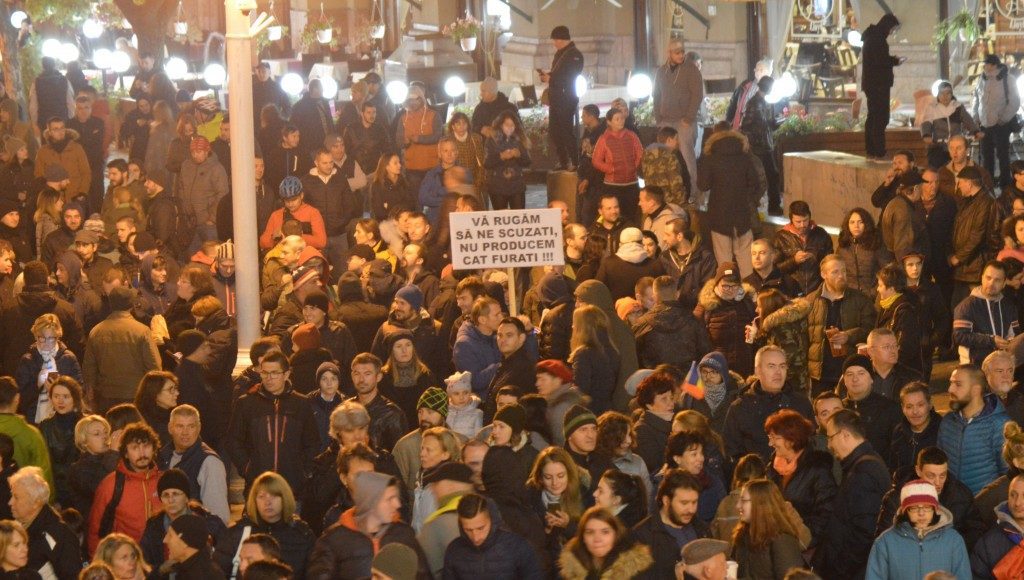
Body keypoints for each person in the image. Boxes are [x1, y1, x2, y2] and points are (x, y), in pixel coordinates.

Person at [225, 350, 321, 496]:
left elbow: (312, 443)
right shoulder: (246, 403)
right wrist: (247, 469)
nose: (269, 378)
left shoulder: (301, 404)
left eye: (275, 373)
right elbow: (233, 441)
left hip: (292, 487)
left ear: (286, 374)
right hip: (257, 486)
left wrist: (303, 472)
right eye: (264, 373)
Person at [812, 409, 890, 578]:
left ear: (845, 434)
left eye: (830, 438)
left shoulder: (863, 472)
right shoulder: (865, 463)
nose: (828, 445)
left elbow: (864, 533)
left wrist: (839, 570)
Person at [305, 471, 427, 579]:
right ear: (370, 501)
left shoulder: (404, 534)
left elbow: (422, 575)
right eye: (390, 499)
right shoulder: (334, 540)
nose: (397, 504)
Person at [876, 446, 986, 551]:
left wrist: (951, 551)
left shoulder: (962, 495)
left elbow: (975, 532)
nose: (938, 483)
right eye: (931, 476)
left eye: (942, 475)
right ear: (918, 471)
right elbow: (884, 542)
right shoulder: (895, 499)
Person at [212, 471, 315, 578]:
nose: (267, 502)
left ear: (285, 498)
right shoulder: (237, 533)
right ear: (254, 500)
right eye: (261, 496)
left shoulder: (303, 535)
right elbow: (218, 572)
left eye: (274, 496)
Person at [723, 345, 813, 463]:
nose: (778, 372)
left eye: (782, 366)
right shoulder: (740, 407)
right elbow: (731, 453)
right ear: (757, 371)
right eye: (771, 366)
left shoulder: (801, 403)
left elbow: (811, 445)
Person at [868, 479, 971, 579]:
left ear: (935, 509)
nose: (921, 513)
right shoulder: (885, 542)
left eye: (927, 507)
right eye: (914, 508)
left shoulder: (954, 541)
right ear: (905, 511)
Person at [87, 421, 163, 554]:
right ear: (126, 453)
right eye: (135, 447)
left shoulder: (164, 480)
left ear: (154, 448)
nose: (142, 452)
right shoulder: (111, 485)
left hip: (160, 560)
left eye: (146, 446)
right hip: (126, 560)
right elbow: (96, 530)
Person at [764, 409, 836, 547]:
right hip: (777, 544)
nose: (770, 444)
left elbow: (826, 513)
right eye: (769, 438)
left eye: (775, 438)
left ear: (792, 439)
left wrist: (806, 539)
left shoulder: (817, 469)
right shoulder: (772, 468)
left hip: (804, 546)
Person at [698, 127, 764, 277]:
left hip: (719, 215)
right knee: (746, 258)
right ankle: (750, 293)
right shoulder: (745, 157)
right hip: (742, 214)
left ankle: (728, 290)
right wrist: (749, 200)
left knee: (724, 260)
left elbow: (703, 185)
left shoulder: (710, 158)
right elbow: (755, 183)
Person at [938, 364, 1009, 494]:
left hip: (984, 507)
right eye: (951, 383)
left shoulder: (1000, 425)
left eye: (958, 384)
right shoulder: (948, 421)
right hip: (952, 504)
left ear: (976, 390)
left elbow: (1007, 474)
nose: (950, 389)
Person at [138, 469, 227, 571]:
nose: (171, 500)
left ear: (186, 497)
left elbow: (225, 558)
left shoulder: (210, 524)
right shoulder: (154, 527)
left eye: (175, 494)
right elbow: (143, 563)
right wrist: (161, 569)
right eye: (165, 495)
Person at [442, 491, 543, 579]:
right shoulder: (454, 550)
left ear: (492, 520)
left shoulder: (518, 547)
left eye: (480, 528)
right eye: (468, 530)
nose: (475, 537)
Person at [156, 404, 230, 524]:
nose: (185, 432)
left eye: (191, 426)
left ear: (199, 428)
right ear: (170, 428)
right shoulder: (162, 456)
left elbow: (219, 518)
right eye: (180, 426)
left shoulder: (209, 462)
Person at [653, 38, 704, 202]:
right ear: (669, 53)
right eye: (677, 52)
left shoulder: (692, 70)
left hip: (684, 122)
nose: (681, 55)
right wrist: (658, 117)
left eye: (682, 51)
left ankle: (694, 194)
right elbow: (657, 95)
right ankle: (666, 192)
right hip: (666, 120)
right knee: (664, 158)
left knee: (688, 158)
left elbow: (697, 95)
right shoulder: (661, 72)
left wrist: (689, 118)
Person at [7, 467, 79, 578]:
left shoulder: (59, 536)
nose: (10, 502)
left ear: (36, 502)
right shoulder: (18, 527)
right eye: (12, 495)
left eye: (16, 497)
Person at [729, 478, 806, 579]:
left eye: (743, 500)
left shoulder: (782, 540)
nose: (738, 505)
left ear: (761, 504)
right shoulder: (742, 535)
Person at [951, 166, 1002, 305]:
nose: (958, 186)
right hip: (966, 266)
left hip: (974, 266)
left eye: (960, 182)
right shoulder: (970, 201)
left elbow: (977, 235)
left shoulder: (985, 202)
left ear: (969, 183)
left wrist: (959, 257)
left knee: (970, 305)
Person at [695, 262, 757, 377]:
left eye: (734, 286)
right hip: (715, 368)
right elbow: (695, 334)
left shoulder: (748, 302)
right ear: (717, 284)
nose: (730, 290)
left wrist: (756, 335)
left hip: (744, 366)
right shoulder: (706, 304)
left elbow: (761, 327)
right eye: (725, 286)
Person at [417, 461, 477, 577]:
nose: (432, 490)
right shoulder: (490, 512)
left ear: (451, 486)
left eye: (436, 484)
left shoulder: (437, 525)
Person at [953, 260, 1018, 366]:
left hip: (1001, 366)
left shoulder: (1009, 306)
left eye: (997, 280)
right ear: (982, 278)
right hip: (973, 367)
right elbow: (959, 336)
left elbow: (1014, 334)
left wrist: (1010, 342)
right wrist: (991, 340)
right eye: (988, 278)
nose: (991, 283)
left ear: (1004, 283)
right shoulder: (966, 306)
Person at [559, 506, 653, 579]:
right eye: (590, 532)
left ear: (615, 535)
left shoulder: (635, 572)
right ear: (583, 537)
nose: (597, 539)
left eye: (605, 532)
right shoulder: (571, 568)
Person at [840, 354, 903, 458]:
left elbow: (897, 449)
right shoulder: (839, 408)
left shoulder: (889, 408)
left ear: (871, 379)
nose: (855, 379)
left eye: (861, 373)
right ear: (844, 380)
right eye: (849, 374)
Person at [540, 26, 584, 171]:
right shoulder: (560, 53)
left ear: (561, 39)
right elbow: (558, 74)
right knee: (554, 131)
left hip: (566, 99)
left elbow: (570, 77)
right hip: (556, 98)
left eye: (555, 40)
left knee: (566, 131)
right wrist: (548, 76)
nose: (554, 43)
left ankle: (575, 162)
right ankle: (563, 161)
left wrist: (551, 79)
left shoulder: (575, 55)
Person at [861, 13, 904, 159]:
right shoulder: (877, 39)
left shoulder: (871, 37)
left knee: (873, 116)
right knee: (880, 117)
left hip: (872, 84)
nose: (891, 32)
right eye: (892, 29)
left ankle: (871, 149)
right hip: (878, 85)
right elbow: (880, 61)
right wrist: (895, 61)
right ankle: (878, 150)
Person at [975, 54, 1020, 187]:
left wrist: (1004, 118)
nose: (984, 66)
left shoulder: (1008, 79)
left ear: (994, 65)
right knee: (986, 156)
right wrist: (976, 118)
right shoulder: (981, 79)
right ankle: (988, 183)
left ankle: (1005, 183)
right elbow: (976, 99)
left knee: (1003, 155)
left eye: (986, 64)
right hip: (984, 124)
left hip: (1001, 124)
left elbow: (1015, 101)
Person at [592, 108, 644, 222]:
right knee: (614, 216)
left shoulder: (632, 135)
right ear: (609, 122)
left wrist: (633, 167)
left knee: (632, 216)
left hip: (632, 184)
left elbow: (640, 153)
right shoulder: (603, 139)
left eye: (622, 118)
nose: (621, 121)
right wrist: (611, 169)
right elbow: (596, 161)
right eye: (617, 119)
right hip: (612, 185)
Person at [772, 201, 834, 295]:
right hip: (791, 291)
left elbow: (831, 262)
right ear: (791, 219)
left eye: (805, 220)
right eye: (798, 222)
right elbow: (774, 269)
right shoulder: (781, 237)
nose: (802, 225)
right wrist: (794, 261)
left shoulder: (821, 234)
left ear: (809, 217)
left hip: (817, 289)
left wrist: (816, 260)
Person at [568, 305, 619, 415]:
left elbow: (580, 389)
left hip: (590, 412)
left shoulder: (583, 354)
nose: (572, 327)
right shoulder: (612, 350)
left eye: (574, 324)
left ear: (581, 328)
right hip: (607, 408)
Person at [920, 81, 983, 169]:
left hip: (956, 145)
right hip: (939, 147)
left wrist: (976, 131)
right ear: (938, 94)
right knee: (937, 170)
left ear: (952, 94)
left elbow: (968, 120)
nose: (945, 96)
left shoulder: (957, 107)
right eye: (942, 93)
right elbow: (926, 122)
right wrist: (927, 135)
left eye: (948, 93)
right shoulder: (931, 107)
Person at [67, 414, 119, 519]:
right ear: (84, 441)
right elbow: (103, 489)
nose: (105, 437)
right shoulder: (78, 469)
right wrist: (113, 453)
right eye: (97, 434)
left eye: (106, 432)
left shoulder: (113, 458)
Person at [394, 85, 442, 197]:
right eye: (409, 100)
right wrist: (404, 142)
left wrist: (420, 139)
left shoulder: (434, 115)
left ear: (421, 99)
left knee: (434, 199)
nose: (412, 102)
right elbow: (398, 141)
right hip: (412, 169)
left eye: (415, 99)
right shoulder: (402, 118)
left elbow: (438, 136)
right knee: (416, 200)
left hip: (432, 167)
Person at [889, 382, 943, 479]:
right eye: (909, 407)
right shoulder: (898, 432)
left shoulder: (943, 431)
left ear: (930, 404)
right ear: (902, 408)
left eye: (920, 405)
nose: (915, 411)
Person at [837, 207, 887, 298]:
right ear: (847, 225)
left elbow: (886, 270)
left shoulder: (876, 243)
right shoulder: (843, 245)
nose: (856, 226)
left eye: (860, 222)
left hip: (872, 296)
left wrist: (874, 291)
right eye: (852, 222)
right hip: (849, 296)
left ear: (866, 224)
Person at [162, 513, 225, 578]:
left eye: (170, 535)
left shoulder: (198, 575)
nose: (165, 540)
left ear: (184, 541)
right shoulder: (191, 567)